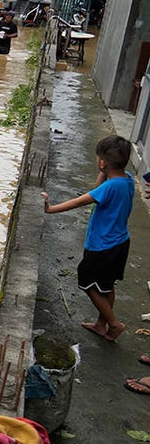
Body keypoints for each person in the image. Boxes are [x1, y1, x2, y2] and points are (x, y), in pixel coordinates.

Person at [41, 136, 136, 342]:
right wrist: (103, 173)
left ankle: (114, 323)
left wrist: (50, 209)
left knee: (88, 282)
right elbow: (97, 188)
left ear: (102, 162)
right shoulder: (128, 179)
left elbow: (79, 201)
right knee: (107, 285)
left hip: (102, 245)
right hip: (121, 242)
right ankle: (101, 324)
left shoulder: (109, 188)